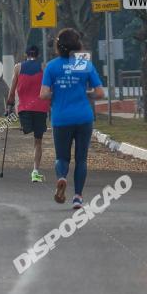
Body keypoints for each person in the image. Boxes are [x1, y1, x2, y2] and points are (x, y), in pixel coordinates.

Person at [40, 28, 105, 209]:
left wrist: (58, 91)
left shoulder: (52, 66)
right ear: (78, 45)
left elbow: (43, 94)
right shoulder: (82, 63)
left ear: (58, 46)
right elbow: (100, 92)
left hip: (61, 118)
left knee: (62, 157)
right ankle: (77, 197)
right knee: (81, 159)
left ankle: (61, 177)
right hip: (83, 117)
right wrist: (86, 93)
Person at [6, 45, 50, 183]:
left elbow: (12, 89)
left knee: (27, 129)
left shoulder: (18, 67)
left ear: (26, 55)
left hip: (24, 109)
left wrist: (9, 106)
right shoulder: (44, 67)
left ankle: (25, 126)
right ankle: (35, 171)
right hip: (40, 109)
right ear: (38, 55)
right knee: (38, 141)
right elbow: (49, 89)